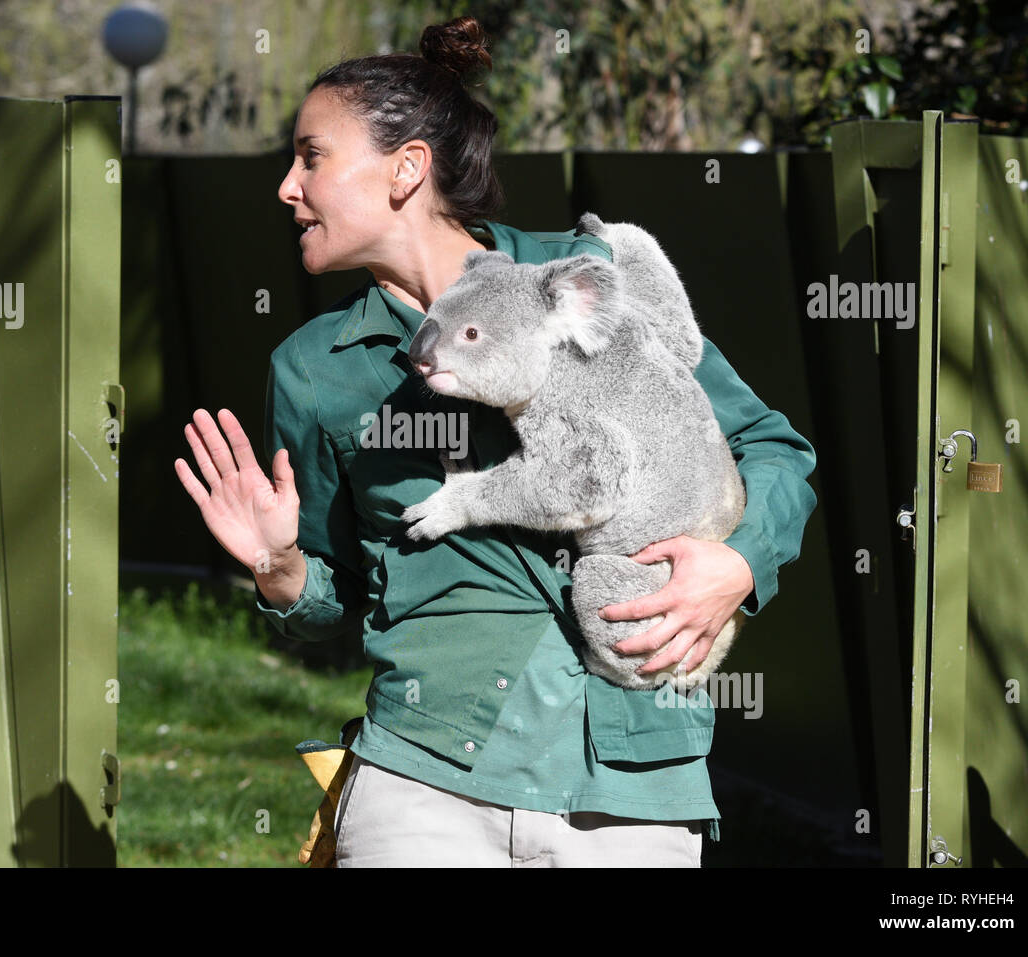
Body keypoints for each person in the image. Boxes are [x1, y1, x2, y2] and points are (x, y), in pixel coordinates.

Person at [174, 15, 817, 867]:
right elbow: (334, 602)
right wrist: (279, 568)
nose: (287, 187)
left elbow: (777, 450)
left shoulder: (579, 283)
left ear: (407, 169)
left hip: (629, 780)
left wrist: (737, 566)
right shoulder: (313, 371)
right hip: (424, 787)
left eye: (311, 157)